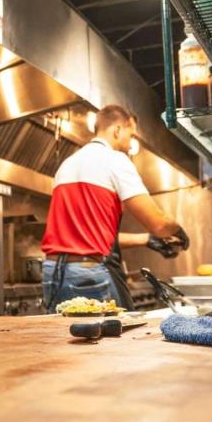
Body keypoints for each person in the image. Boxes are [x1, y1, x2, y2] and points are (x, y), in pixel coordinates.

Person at [40, 105, 190, 311]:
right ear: (117, 130)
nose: (130, 144)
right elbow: (159, 224)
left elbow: (89, 236)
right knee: (102, 342)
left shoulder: (67, 165)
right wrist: (177, 229)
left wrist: (145, 239)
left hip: (52, 272)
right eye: (131, 134)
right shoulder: (115, 160)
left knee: (61, 341)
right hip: (86, 272)